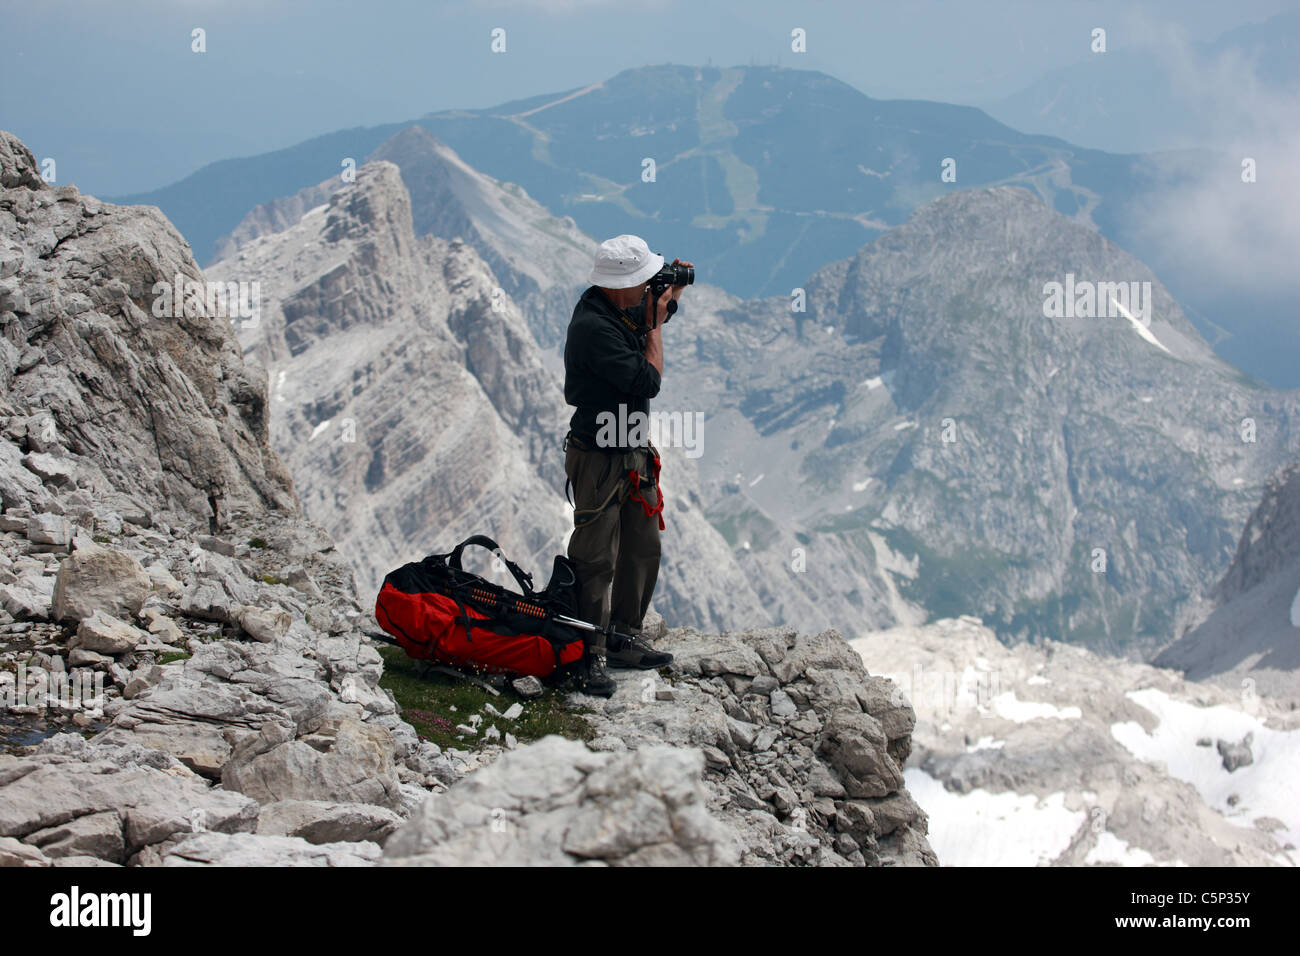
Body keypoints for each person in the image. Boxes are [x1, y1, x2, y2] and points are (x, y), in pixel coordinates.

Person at [562, 235, 691, 696]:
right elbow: (648, 379)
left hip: (631, 447)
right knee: (596, 557)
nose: (647, 288)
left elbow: (642, 321)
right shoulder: (593, 327)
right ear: (623, 285)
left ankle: (623, 635)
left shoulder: (616, 308)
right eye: (644, 281)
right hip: (598, 454)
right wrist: (656, 323)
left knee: (641, 545)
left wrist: (669, 297)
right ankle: (584, 653)